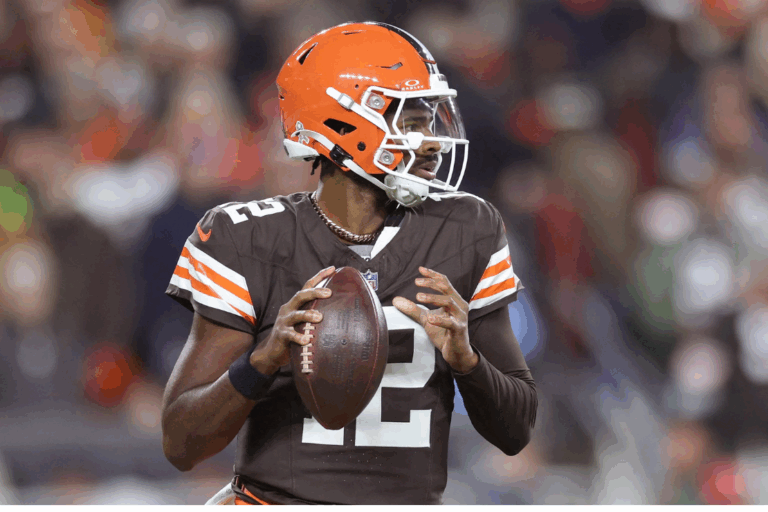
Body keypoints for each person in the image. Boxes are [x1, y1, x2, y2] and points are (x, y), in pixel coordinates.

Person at [161, 22, 537, 505]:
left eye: (431, 120)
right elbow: (181, 444)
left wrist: (469, 363)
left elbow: (517, 432)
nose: (433, 141)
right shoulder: (249, 238)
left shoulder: (467, 228)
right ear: (342, 123)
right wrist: (264, 361)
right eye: (411, 121)